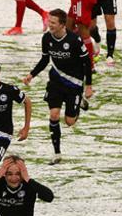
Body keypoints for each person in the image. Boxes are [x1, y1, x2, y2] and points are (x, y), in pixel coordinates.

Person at [23, 9, 93, 165]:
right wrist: (31, 75)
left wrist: (88, 85)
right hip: (55, 82)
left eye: (53, 22)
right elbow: (44, 59)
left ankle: (79, 102)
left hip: (74, 83)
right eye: (49, 21)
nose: (50, 25)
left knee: (69, 121)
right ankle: (57, 153)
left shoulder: (74, 40)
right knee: (54, 115)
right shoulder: (46, 38)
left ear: (62, 25)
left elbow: (86, 62)